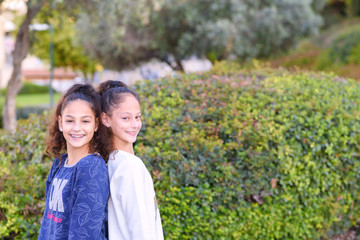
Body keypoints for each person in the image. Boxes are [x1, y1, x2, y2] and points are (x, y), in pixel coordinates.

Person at [38, 84, 112, 240]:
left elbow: (84, 235)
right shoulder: (59, 164)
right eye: (70, 120)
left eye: (85, 121)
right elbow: (47, 225)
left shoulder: (92, 167)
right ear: (60, 123)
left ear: (96, 124)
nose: (77, 128)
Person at [98, 80, 164, 240]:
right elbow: (141, 231)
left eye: (137, 117)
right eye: (126, 118)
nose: (134, 124)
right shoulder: (130, 166)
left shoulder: (110, 161)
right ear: (105, 119)